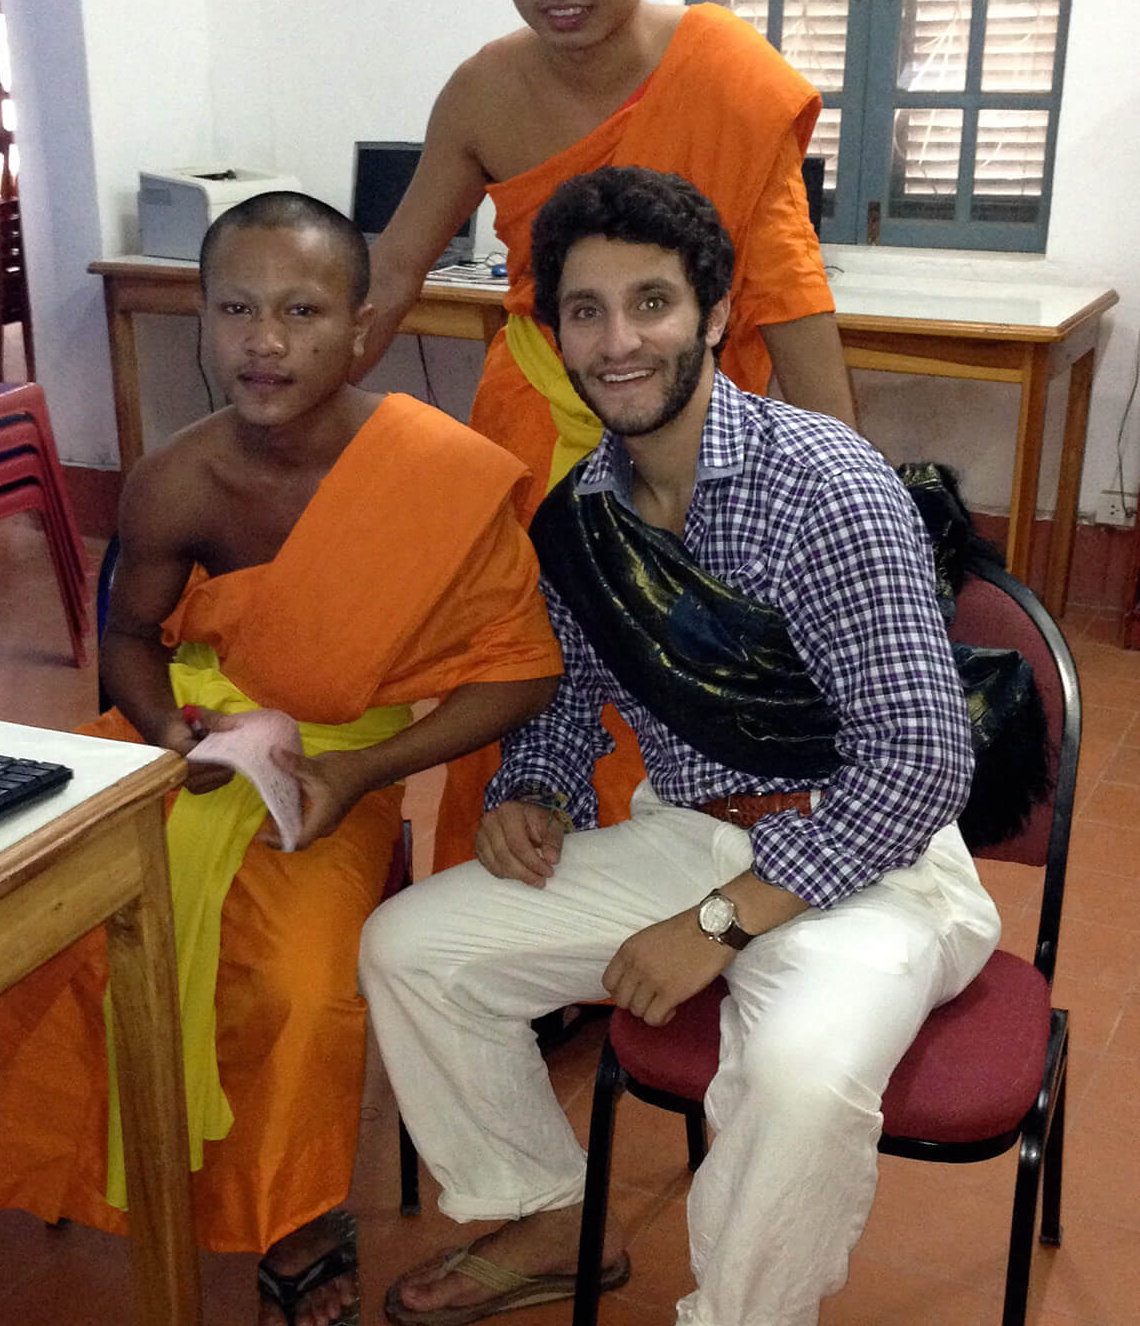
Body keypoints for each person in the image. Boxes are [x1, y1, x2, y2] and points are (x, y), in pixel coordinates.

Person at [0, 192, 562, 1326]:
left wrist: (360, 779)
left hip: (339, 775)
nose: (265, 341)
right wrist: (168, 734)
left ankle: (293, 1217)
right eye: (235, 307)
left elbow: (521, 667)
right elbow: (133, 638)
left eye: (300, 310)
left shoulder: (439, 472)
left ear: (359, 324)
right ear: (199, 315)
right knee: (5, 908)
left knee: (294, 988)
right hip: (178, 740)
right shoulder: (177, 478)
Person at [359, 167, 1000, 1326]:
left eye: (650, 302)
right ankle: (555, 1214)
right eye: (585, 310)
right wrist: (535, 787)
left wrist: (721, 923)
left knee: (799, 1078)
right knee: (412, 949)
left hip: (877, 866)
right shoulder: (581, 516)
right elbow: (566, 689)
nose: (618, 341)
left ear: (712, 314)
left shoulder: (828, 488)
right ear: (553, 333)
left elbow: (919, 761)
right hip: (689, 835)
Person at [359, 0, 856, 867]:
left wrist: (841, 490)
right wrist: (296, 392)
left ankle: (671, 911)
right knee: (523, 664)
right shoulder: (484, 89)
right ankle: (507, 912)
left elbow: (786, 293)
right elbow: (398, 264)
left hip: (695, 440)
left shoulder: (725, 73)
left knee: (676, 682)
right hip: (534, 436)